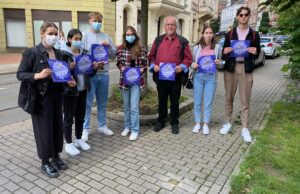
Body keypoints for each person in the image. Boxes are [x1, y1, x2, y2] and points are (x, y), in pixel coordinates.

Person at [16, 21, 75, 178]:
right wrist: (38, 75)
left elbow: (61, 74)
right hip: (40, 98)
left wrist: (69, 80)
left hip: (56, 96)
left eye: (56, 34)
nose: (53, 37)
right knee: (43, 130)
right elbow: (20, 74)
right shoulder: (32, 52)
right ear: (42, 33)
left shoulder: (59, 53)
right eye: (50, 33)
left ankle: (56, 156)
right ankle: (45, 162)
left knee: (57, 127)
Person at [219, 6, 261, 143]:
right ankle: (227, 123)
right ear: (237, 17)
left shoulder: (254, 35)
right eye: (241, 15)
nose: (243, 17)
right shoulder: (229, 34)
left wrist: (254, 52)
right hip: (231, 68)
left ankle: (244, 128)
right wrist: (224, 52)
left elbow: (257, 52)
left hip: (246, 68)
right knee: (228, 97)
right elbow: (223, 54)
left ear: (249, 17)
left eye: (246, 15)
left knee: (245, 100)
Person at [148, 16, 192, 134]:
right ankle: (161, 121)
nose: (170, 27)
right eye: (168, 24)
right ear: (164, 26)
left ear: (176, 27)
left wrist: (181, 67)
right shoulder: (158, 40)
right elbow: (151, 57)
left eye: (172, 24)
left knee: (174, 101)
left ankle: (174, 122)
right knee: (161, 100)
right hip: (161, 77)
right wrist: (154, 66)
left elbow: (188, 59)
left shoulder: (183, 41)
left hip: (176, 78)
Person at [81, 11, 116, 142]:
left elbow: (113, 55)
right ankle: (85, 129)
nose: (97, 23)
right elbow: (81, 56)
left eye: (100, 21)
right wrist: (92, 63)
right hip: (90, 74)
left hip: (104, 74)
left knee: (102, 102)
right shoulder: (84, 36)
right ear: (89, 20)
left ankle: (102, 125)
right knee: (88, 103)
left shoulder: (106, 36)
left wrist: (109, 46)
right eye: (95, 20)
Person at [61, 29, 91, 155]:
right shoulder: (63, 54)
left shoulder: (84, 53)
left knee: (80, 117)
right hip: (70, 92)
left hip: (83, 89)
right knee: (68, 118)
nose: (78, 41)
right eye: (75, 39)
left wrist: (93, 67)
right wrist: (69, 68)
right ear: (69, 40)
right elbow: (59, 73)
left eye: (80, 39)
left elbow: (89, 72)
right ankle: (68, 143)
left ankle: (79, 139)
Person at [116, 26, 148, 141]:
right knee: (126, 106)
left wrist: (142, 69)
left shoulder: (142, 48)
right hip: (124, 81)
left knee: (134, 106)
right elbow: (118, 63)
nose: (130, 37)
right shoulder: (120, 48)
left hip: (136, 82)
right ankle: (127, 127)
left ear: (135, 35)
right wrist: (122, 67)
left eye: (131, 34)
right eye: (127, 35)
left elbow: (145, 64)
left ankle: (135, 130)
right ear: (125, 36)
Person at [191, 26, 223, 135]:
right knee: (197, 101)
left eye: (210, 33)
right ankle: (197, 123)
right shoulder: (196, 48)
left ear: (213, 34)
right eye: (206, 33)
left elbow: (222, 62)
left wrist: (220, 62)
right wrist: (193, 65)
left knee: (208, 102)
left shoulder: (217, 48)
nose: (208, 35)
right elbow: (191, 62)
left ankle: (205, 124)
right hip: (198, 77)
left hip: (211, 78)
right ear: (203, 34)